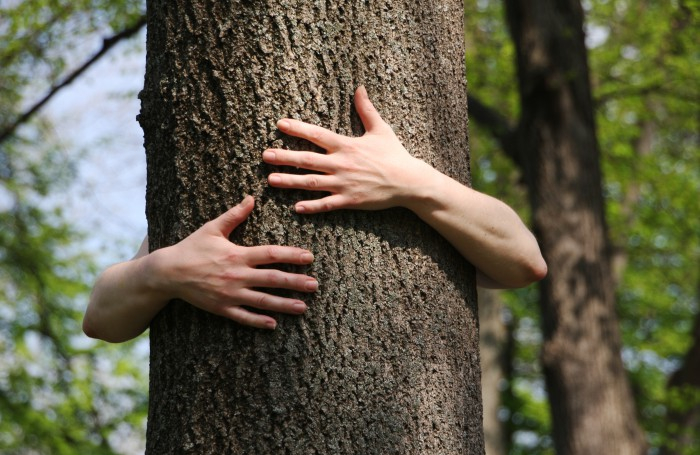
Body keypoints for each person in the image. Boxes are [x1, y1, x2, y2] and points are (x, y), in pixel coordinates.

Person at [83, 86, 546, 343]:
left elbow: (523, 259)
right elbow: (101, 319)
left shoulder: (429, 184)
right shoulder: (198, 195)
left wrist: (410, 181)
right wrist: (161, 271)